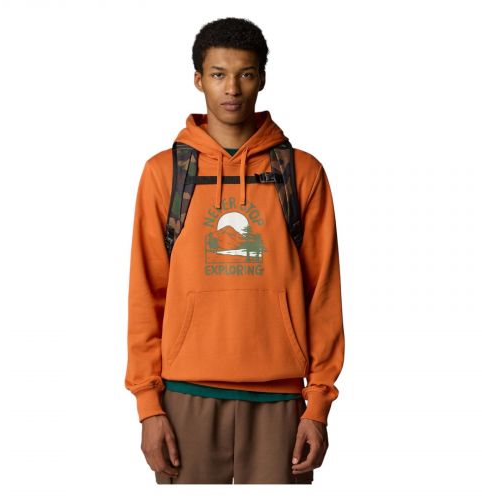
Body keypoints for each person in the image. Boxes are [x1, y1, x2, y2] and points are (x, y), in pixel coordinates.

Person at [124, 16, 345, 485]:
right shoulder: (164, 173)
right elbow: (146, 295)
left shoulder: (302, 173)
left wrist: (318, 405)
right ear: (198, 80)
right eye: (218, 74)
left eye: (245, 74)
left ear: (261, 78)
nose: (232, 88)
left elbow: (323, 296)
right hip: (185, 398)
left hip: (281, 402)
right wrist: (148, 405)